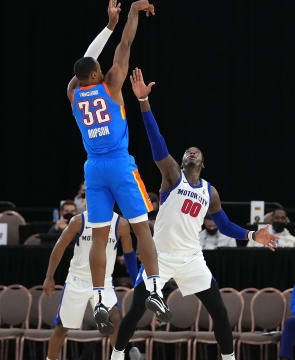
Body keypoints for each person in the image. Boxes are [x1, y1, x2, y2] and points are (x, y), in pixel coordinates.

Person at [110, 68, 279, 360]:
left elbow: (223, 224)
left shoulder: (210, 192)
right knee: (136, 308)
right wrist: (143, 103)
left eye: (195, 152)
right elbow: (157, 142)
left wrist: (252, 234)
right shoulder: (173, 177)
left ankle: (229, 359)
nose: (190, 152)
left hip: (191, 258)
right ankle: (115, 356)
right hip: (159, 257)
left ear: (203, 162)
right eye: (187, 151)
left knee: (219, 310)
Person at [66, 0, 169, 334]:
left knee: (98, 238)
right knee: (142, 228)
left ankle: (98, 298)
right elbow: (125, 45)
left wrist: (107, 26)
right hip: (120, 166)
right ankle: (154, 289)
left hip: (93, 170)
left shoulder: (72, 92)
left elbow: (85, 61)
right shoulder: (110, 84)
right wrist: (131, 15)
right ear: (96, 73)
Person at [43, 209, 138, 360]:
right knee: (62, 327)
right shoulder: (79, 221)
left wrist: (136, 280)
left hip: (103, 280)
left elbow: (129, 254)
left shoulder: (120, 223)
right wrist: (49, 276)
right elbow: (59, 246)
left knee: (114, 319)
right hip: (77, 280)